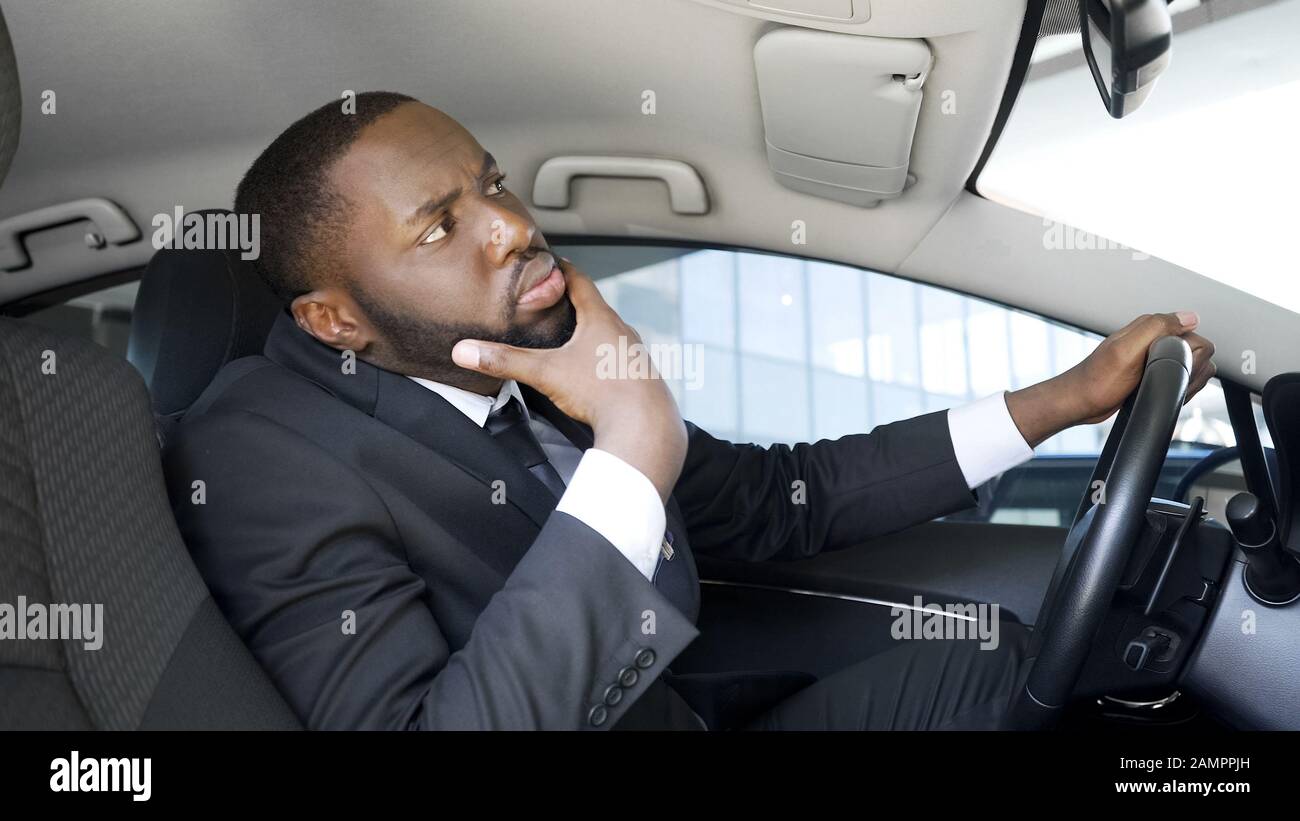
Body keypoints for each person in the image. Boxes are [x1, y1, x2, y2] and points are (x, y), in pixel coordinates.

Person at [163, 91, 1216, 730]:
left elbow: (777, 502)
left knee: (987, 663)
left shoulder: (524, 357)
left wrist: (1067, 399)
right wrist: (631, 447)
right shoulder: (258, 457)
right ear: (333, 319)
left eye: (490, 184)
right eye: (441, 226)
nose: (510, 227)